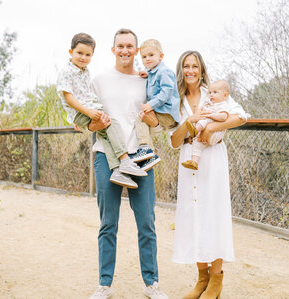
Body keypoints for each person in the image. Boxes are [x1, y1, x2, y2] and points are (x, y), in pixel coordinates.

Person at [88, 29, 169, 299]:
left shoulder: (147, 81)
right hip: (107, 157)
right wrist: (92, 124)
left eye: (130, 46)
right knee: (108, 223)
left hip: (141, 157)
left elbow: (157, 123)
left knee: (146, 222)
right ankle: (104, 285)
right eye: (120, 46)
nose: (125, 50)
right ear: (113, 50)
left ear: (136, 51)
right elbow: (87, 120)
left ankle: (151, 284)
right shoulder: (99, 80)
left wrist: (155, 123)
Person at [169, 50, 249, 299]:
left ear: (201, 69)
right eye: (186, 66)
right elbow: (174, 141)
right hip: (188, 160)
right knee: (194, 216)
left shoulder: (214, 92)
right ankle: (201, 279)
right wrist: (189, 122)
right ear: (180, 70)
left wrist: (211, 126)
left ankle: (216, 279)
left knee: (214, 215)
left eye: (194, 66)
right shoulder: (176, 99)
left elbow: (241, 117)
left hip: (212, 158)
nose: (190, 71)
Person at [57, 33, 147, 190]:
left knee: (107, 136)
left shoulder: (85, 72)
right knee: (113, 124)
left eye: (88, 54)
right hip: (83, 112)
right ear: (71, 52)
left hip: (88, 110)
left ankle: (117, 170)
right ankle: (125, 160)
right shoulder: (67, 71)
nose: (83, 57)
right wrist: (88, 113)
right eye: (79, 53)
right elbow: (69, 98)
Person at [130, 39, 180, 169]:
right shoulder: (153, 73)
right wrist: (147, 74)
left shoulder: (164, 72)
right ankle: (147, 154)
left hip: (167, 113)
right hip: (163, 113)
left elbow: (166, 91)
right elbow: (154, 79)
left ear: (161, 56)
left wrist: (151, 105)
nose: (147, 59)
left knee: (141, 119)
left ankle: (146, 150)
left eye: (151, 55)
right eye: (144, 57)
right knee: (145, 126)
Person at [181, 80, 231, 170]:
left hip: (215, 134)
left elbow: (224, 117)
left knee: (205, 118)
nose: (211, 94)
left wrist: (210, 115)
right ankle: (194, 162)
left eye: (215, 92)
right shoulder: (212, 104)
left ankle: (195, 130)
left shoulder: (223, 105)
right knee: (197, 144)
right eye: (210, 92)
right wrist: (205, 108)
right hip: (204, 136)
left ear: (225, 95)